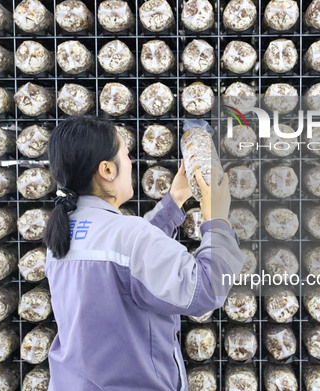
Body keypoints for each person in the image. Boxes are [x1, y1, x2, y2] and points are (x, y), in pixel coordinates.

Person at [43, 116, 244, 391]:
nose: (131, 163)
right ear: (107, 170)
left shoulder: (62, 237)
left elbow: (129, 262)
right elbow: (206, 289)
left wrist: (173, 203)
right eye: (126, 155)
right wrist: (217, 220)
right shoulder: (129, 236)